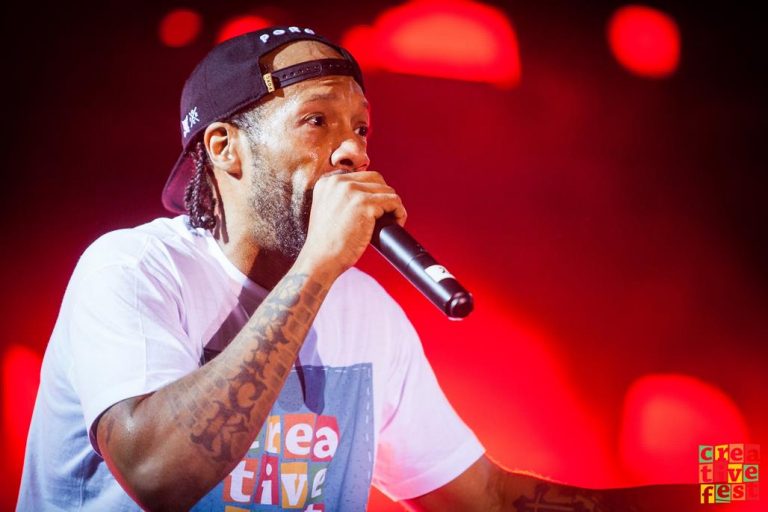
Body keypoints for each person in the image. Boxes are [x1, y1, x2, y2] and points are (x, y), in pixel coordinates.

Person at [17, 26, 698, 511]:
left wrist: (731, 487)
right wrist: (317, 266)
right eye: (316, 121)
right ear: (225, 149)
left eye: (361, 128)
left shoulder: (366, 311)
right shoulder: (134, 270)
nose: (353, 153)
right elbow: (156, 475)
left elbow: (488, 496)